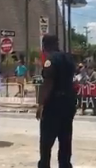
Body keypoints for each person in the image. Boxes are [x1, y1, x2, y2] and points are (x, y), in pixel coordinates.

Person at [36, 34, 76, 168]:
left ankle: (44, 165)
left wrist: (40, 104)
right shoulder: (69, 58)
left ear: (44, 45)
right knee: (65, 139)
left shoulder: (51, 60)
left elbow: (48, 83)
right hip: (69, 102)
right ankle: (65, 165)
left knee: (46, 140)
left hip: (54, 104)